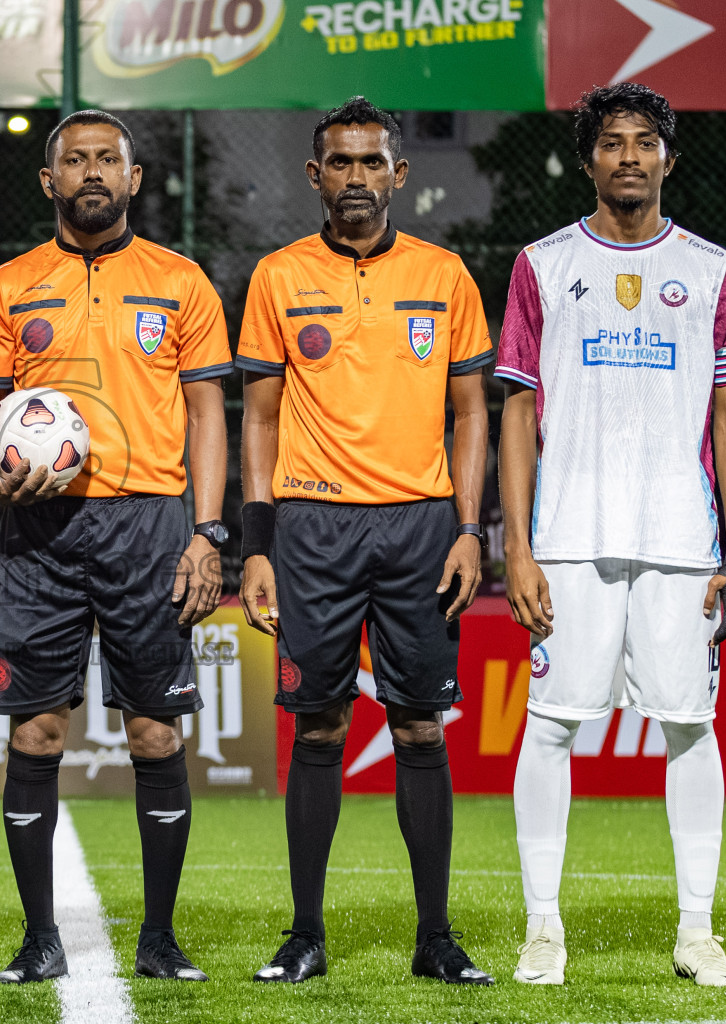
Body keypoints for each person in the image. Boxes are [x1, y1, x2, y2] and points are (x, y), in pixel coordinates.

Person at [0, 108, 231, 985]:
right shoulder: (7, 284)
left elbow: (206, 416)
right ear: (49, 181)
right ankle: (38, 939)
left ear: (134, 178)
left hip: (151, 527)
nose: (90, 173)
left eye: (106, 160)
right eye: (73, 160)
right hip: (40, 529)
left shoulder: (181, 282)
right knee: (37, 732)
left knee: (155, 734)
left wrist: (208, 532)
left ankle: (160, 937)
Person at [497, 83, 726, 988]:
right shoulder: (541, 265)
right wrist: (517, 545)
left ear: (669, 159)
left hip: (682, 539)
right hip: (569, 539)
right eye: (613, 142)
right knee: (553, 728)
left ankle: (696, 932)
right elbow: (519, 412)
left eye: (647, 142)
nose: (631, 157)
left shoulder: (717, 271)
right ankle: (542, 931)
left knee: (690, 727)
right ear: (590, 158)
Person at [237, 96, 494, 987]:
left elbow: (472, 413)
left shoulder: (446, 276)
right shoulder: (276, 277)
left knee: (420, 727)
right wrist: (257, 544)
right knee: (320, 726)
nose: (355, 177)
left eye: (369, 161)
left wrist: (470, 528)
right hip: (312, 527)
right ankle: (305, 932)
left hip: (422, 526)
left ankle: (436, 937)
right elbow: (259, 419)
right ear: (316, 175)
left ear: (399, 172)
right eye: (338, 163)